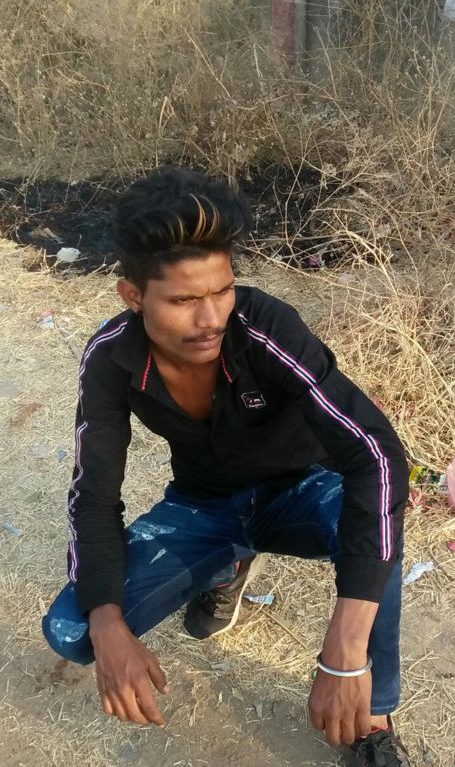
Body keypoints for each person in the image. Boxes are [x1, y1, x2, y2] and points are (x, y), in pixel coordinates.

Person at [42, 167, 411, 766]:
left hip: (301, 492)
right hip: (204, 505)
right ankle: (226, 565)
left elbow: (376, 454)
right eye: (184, 300)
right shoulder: (111, 358)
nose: (210, 318)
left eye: (221, 290)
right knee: (73, 631)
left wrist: (345, 653)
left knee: (374, 525)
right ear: (133, 296)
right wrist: (108, 625)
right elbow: (94, 493)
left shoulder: (263, 327)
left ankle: (372, 718)